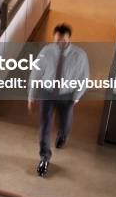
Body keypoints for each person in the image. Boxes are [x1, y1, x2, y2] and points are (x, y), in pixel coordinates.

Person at [28, 23, 89, 177]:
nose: (59, 44)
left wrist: (75, 98)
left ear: (69, 38)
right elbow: (36, 73)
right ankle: (44, 158)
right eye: (56, 41)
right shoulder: (46, 51)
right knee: (45, 126)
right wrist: (31, 95)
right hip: (47, 93)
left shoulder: (79, 55)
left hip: (67, 95)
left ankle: (62, 134)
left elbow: (84, 78)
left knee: (65, 124)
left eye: (62, 40)